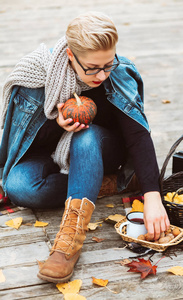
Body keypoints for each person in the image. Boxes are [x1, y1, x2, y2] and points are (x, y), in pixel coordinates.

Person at [0, 11, 170, 283]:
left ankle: (68, 244)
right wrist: (58, 124)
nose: (102, 75)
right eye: (92, 68)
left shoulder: (118, 73)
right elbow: (19, 140)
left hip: (101, 148)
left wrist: (152, 196)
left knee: (85, 136)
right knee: (19, 187)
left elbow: (138, 135)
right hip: (51, 155)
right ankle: (113, 184)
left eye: (108, 64)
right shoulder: (36, 76)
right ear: (70, 56)